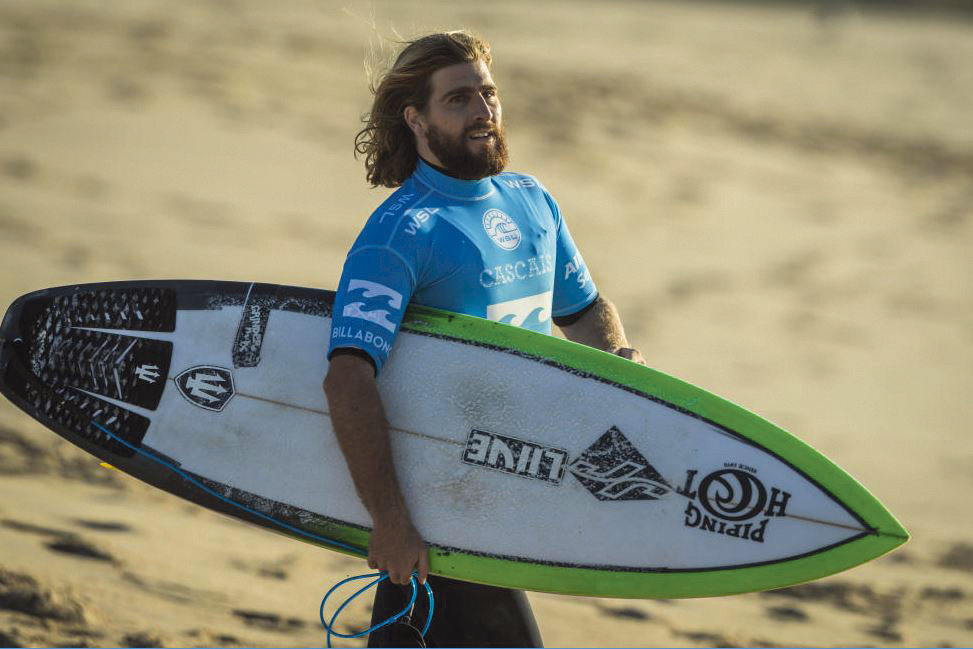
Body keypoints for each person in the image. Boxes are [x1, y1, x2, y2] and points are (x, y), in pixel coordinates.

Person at [323, 30, 645, 648]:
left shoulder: (533, 203)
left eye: (488, 94)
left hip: (513, 488)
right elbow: (347, 376)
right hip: (441, 495)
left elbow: (582, 312)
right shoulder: (402, 233)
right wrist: (390, 521)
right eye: (459, 100)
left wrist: (623, 374)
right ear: (415, 119)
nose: (482, 111)